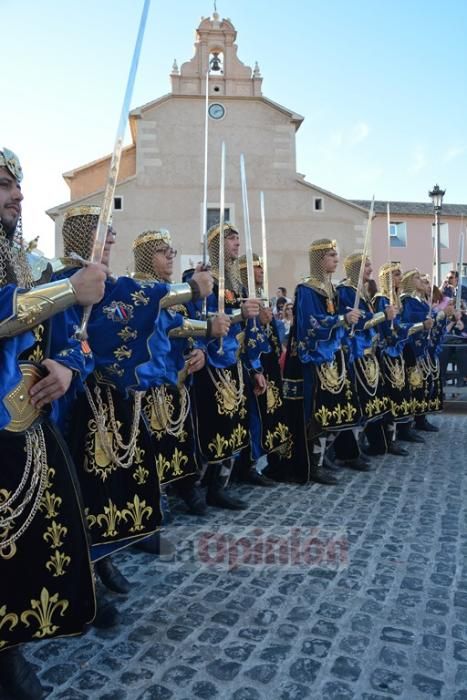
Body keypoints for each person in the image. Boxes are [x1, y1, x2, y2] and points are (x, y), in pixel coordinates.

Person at [0, 147, 107, 699]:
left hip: (27, 429)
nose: (18, 194)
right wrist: (67, 289)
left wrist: (67, 364)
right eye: (3, 185)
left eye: (17, 184)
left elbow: (74, 338)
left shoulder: (29, 269)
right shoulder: (44, 281)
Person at [132, 229, 230, 515]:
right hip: (144, 384)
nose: (170, 256)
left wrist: (198, 347)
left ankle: (186, 488)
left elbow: (182, 326)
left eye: (171, 250)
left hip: (173, 380)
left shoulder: (171, 293)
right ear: (147, 257)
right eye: (163, 252)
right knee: (148, 448)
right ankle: (152, 502)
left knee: (176, 442)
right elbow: (163, 323)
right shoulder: (139, 291)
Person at [186, 223, 260, 509]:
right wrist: (241, 313)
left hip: (233, 360)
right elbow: (198, 317)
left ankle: (220, 486)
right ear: (217, 244)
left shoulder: (237, 282)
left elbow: (241, 322)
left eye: (238, 239)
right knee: (210, 426)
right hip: (211, 362)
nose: (236, 244)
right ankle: (195, 487)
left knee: (233, 424)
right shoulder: (205, 278)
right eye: (230, 239)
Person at [280, 239, 363, 485]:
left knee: (332, 412)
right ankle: (312, 465)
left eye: (337, 255)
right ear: (318, 259)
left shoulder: (332, 289)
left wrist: (349, 320)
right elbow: (310, 324)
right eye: (330, 255)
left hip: (332, 360)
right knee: (314, 414)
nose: (336, 259)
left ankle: (322, 457)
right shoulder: (306, 289)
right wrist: (340, 320)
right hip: (312, 361)